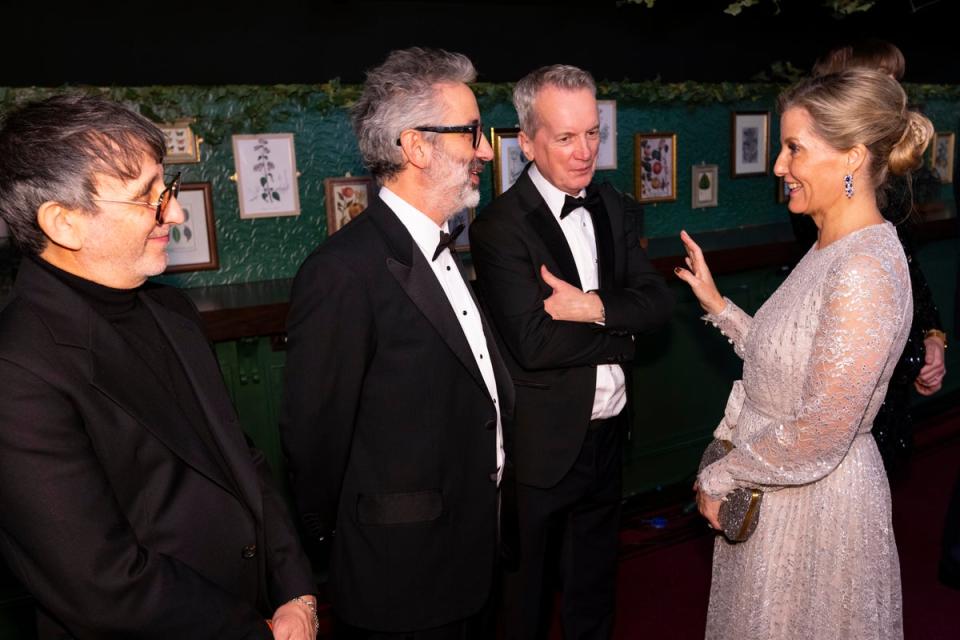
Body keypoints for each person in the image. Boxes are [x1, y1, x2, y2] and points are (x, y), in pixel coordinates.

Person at [0, 94, 317, 639]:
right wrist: (258, 633)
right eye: (148, 198)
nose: (174, 211)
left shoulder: (170, 310)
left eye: (164, 187)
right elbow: (102, 583)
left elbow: (244, 462)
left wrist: (297, 593)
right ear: (64, 223)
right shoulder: (17, 369)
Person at [676, 68, 931, 639]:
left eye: (794, 148)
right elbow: (785, 362)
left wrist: (724, 475)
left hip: (817, 504)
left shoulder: (863, 267)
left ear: (850, 157)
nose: (778, 167)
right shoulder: (827, 246)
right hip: (780, 487)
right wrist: (719, 305)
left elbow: (822, 427)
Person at [280, 48, 513, 639]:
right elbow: (314, 440)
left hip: (474, 557)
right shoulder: (342, 272)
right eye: (471, 132)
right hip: (402, 582)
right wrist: (344, 546)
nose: (485, 150)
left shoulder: (444, 245)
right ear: (416, 147)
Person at [469, 65, 673, 639]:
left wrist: (593, 308)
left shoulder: (611, 204)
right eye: (565, 137)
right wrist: (623, 334)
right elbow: (534, 344)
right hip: (541, 447)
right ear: (527, 141)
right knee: (525, 601)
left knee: (594, 590)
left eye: (592, 133)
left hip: (609, 437)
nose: (584, 151)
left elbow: (658, 303)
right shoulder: (499, 227)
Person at [809, 39, 948, 473]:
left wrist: (932, 335)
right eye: (885, 79)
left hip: (891, 363)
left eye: (897, 82)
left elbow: (906, 265)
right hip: (849, 356)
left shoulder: (889, 171)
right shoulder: (828, 172)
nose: (897, 95)